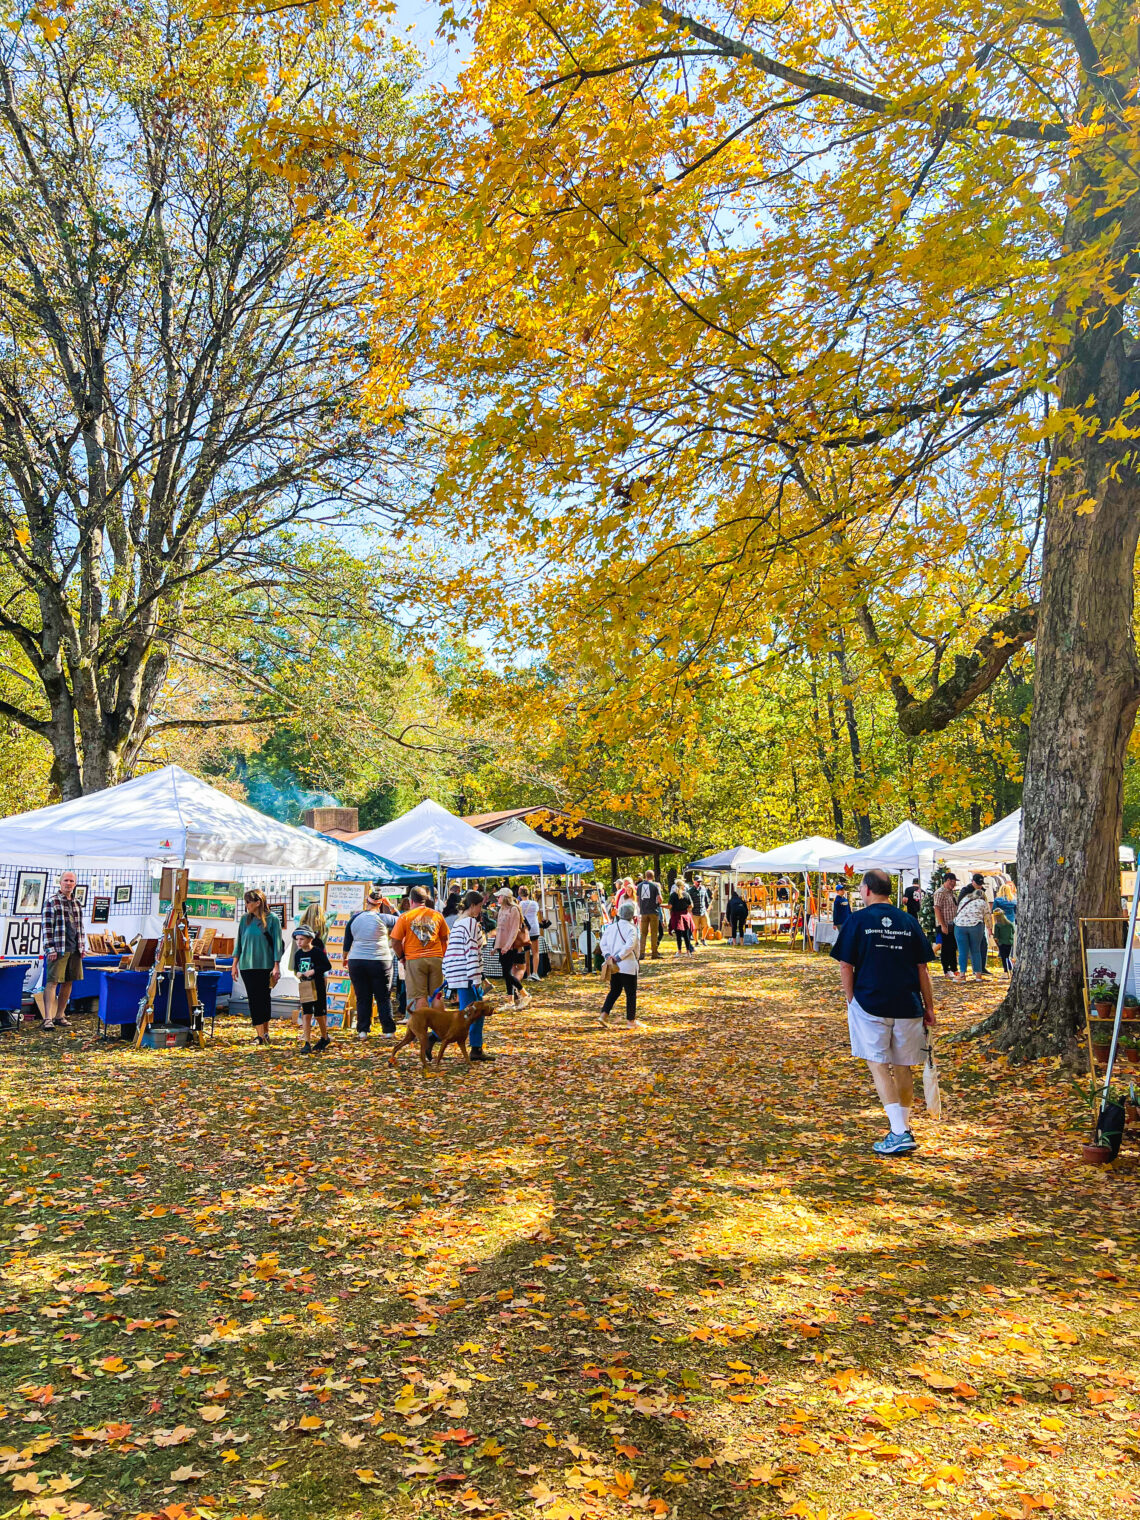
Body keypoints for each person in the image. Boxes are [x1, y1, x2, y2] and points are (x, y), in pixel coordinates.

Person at [832, 867, 936, 1156]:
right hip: (907, 1003)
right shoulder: (909, 921)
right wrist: (929, 1006)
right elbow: (922, 968)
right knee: (903, 1067)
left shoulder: (857, 920)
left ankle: (899, 1131)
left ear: (866, 889)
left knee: (878, 1064)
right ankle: (903, 1128)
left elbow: (845, 964)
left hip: (870, 1002)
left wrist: (851, 999)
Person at [440, 889, 495, 1060]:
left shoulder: (458, 922)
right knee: (472, 1014)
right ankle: (437, 1039)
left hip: (458, 973)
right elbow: (471, 951)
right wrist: (476, 978)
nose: (480, 910)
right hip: (466, 975)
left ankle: (475, 1047)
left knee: (469, 1013)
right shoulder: (470, 923)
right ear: (472, 906)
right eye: (479, 906)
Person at [345, 890, 399, 1039]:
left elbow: (347, 939)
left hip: (356, 960)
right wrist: (392, 907)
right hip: (380, 960)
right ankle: (388, 1030)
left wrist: (345, 957)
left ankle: (362, 1031)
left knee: (363, 997)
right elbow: (401, 920)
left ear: (366, 901)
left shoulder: (354, 918)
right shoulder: (383, 917)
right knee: (383, 997)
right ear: (381, 903)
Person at [234, 888, 283, 1045]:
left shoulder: (272, 919)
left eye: (249, 902)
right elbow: (239, 943)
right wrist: (234, 965)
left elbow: (277, 944)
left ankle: (265, 1033)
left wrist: (276, 966)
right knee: (254, 1000)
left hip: (265, 965)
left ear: (258, 902)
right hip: (247, 966)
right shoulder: (244, 920)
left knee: (264, 999)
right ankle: (260, 1035)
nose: (246, 905)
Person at [391, 886, 450, 1017]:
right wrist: (442, 957)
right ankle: (439, 1030)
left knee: (420, 997)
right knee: (437, 996)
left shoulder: (405, 917)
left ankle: (421, 1031)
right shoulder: (437, 915)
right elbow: (445, 939)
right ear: (426, 899)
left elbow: (395, 941)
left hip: (414, 959)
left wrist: (401, 956)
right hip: (436, 959)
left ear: (411, 901)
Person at [39, 870, 84, 1030]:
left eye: (72, 881)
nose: (69, 883)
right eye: (66, 880)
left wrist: (82, 946)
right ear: (60, 882)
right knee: (52, 982)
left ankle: (60, 1015)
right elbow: (46, 928)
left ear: (75, 884)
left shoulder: (77, 903)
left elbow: (80, 927)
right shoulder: (52, 901)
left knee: (68, 982)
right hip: (57, 949)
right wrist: (49, 948)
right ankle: (47, 1018)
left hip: (74, 948)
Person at [599, 901, 642, 1025]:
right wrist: (619, 957)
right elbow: (631, 946)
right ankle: (630, 1021)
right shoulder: (632, 929)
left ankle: (604, 1014)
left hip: (613, 965)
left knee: (614, 991)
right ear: (632, 916)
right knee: (630, 993)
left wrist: (608, 956)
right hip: (627, 965)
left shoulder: (611, 927)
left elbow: (603, 943)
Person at [292, 925, 332, 1054]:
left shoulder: (317, 952)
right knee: (306, 1012)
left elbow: (327, 965)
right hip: (305, 987)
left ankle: (324, 1036)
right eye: (297, 939)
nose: (299, 942)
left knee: (319, 1013)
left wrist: (314, 971)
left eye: (302, 939)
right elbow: (296, 968)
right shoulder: (298, 954)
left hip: (318, 985)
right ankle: (307, 1042)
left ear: (310, 939)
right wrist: (298, 973)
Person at [492, 888, 531, 1008]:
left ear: (505, 897)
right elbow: (499, 931)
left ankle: (524, 994)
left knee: (507, 973)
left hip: (510, 946)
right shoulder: (501, 910)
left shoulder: (514, 909)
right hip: (502, 946)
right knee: (506, 973)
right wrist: (496, 947)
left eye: (499, 896)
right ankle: (510, 1001)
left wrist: (507, 946)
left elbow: (514, 930)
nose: (497, 898)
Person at [954, 879, 993, 978]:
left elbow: (958, 910)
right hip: (976, 926)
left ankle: (962, 974)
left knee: (963, 951)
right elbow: (988, 916)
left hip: (960, 925)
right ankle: (978, 975)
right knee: (976, 950)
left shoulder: (965, 899)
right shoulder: (983, 902)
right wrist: (990, 929)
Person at [933, 872, 961, 980]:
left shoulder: (951, 893)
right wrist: (942, 925)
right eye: (953, 882)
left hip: (953, 923)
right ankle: (946, 969)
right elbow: (937, 908)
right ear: (948, 880)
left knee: (953, 946)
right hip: (944, 924)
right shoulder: (940, 893)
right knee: (946, 947)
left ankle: (954, 968)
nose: (954, 884)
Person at [518, 884, 542, 981]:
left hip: (525, 929)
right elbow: (537, 913)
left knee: (526, 952)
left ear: (519, 894)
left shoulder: (519, 905)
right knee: (536, 952)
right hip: (535, 928)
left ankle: (528, 974)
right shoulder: (535, 903)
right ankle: (535, 973)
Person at [669, 876, 696, 957]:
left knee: (678, 935)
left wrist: (661, 906)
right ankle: (688, 952)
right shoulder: (686, 894)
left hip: (677, 916)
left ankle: (679, 951)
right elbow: (691, 905)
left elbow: (670, 906)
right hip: (685, 916)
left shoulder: (673, 895)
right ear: (682, 886)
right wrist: (685, 908)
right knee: (686, 935)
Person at [637, 870, 662, 959]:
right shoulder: (655, 885)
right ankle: (654, 953)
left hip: (643, 912)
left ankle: (641, 953)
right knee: (654, 933)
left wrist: (641, 908)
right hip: (653, 912)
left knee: (643, 933)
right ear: (653, 876)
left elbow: (638, 899)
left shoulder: (639, 886)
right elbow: (660, 899)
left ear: (645, 876)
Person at [992, 906, 1015, 973]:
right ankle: (1010, 969)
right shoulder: (1010, 924)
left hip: (1002, 943)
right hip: (1009, 942)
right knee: (1008, 956)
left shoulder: (997, 925)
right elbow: (1013, 932)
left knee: (1003, 958)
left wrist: (997, 943)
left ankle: (1006, 971)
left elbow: (996, 936)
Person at [690, 875, 712, 942]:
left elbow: (706, 899)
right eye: (697, 881)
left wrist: (708, 907)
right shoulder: (690, 891)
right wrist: (689, 911)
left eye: (700, 881)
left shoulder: (703, 889)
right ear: (694, 881)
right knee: (695, 928)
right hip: (694, 912)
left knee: (707, 925)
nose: (699, 883)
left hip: (703, 910)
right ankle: (696, 941)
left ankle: (703, 939)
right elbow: (688, 901)